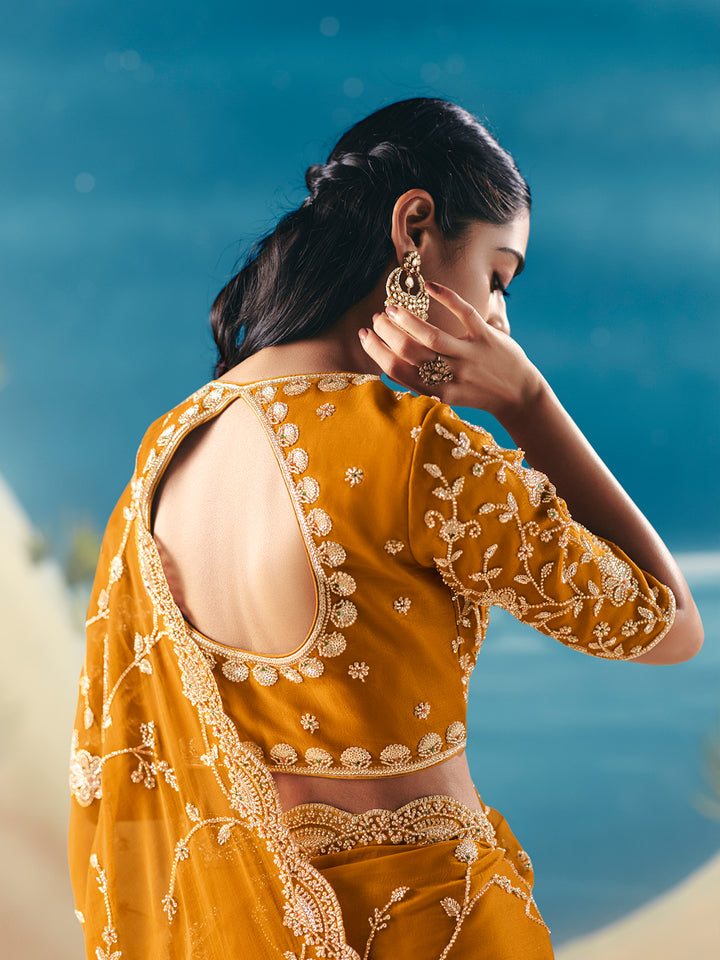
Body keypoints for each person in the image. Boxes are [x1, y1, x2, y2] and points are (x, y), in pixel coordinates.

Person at [68, 98, 703, 960]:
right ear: (416, 225)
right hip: (441, 928)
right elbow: (666, 625)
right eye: (498, 276)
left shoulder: (165, 459)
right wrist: (529, 401)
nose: (501, 320)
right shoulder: (413, 457)